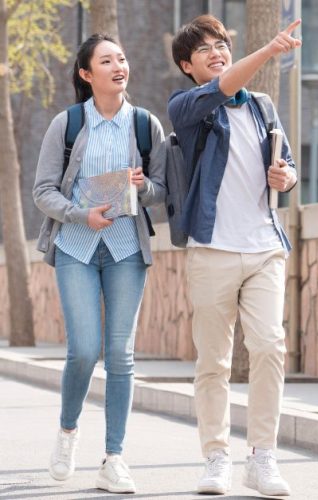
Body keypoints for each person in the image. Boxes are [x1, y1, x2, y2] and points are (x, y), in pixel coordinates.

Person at [168, 15, 300, 497]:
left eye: (221, 44)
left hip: (265, 246)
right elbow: (223, 87)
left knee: (269, 347)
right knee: (214, 362)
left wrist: (287, 178)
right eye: (204, 49)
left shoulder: (263, 106)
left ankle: (262, 456)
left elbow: (285, 163)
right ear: (188, 65)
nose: (216, 51)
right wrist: (268, 52)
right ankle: (216, 457)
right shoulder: (187, 106)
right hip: (212, 249)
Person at [32, 34, 166, 493]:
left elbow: (163, 191)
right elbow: (43, 190)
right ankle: (69, 431)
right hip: (76, 247)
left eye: (122, 58)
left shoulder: (146, 125)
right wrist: (79, 214)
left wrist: (144, 185)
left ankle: (114, 457)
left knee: (122, 357)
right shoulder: (66, 125)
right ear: (87, 75)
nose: (118, 66)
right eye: (106, 60)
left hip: (127, 249)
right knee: (85, 350)